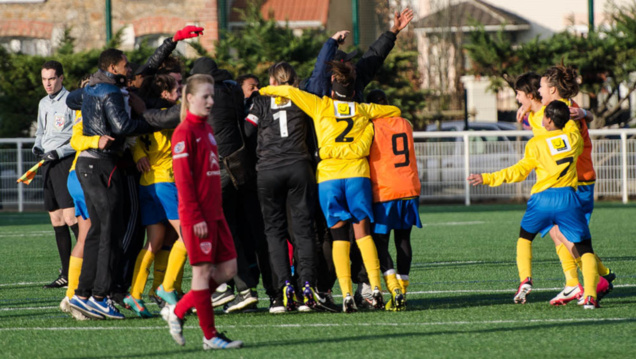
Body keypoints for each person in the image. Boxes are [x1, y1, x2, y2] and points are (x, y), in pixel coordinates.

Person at [260, 60, 401, 312]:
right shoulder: (363, 109)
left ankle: (346, 294)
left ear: (332, 90)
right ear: (353, 92)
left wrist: (264, 90)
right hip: (358, 175)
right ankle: (376, 288)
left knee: (338, 237)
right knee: (363, 234)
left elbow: (289, 91)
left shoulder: (321, 105)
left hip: (329, 177)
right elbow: (394, 111)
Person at [468, 100, 601, 309]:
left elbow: (519, 171)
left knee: (525, 238)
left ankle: (526, 278)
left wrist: (487, 178)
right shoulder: (573, 138)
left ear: (547, 119)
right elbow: (573, 125)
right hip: (568, 199)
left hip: (542, 200)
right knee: (585, 249)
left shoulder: (536, 144)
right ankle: (591, 296)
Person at [67, 48, 154, 320]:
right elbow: (122, 126)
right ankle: (100, 296)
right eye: (125, 66)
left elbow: (72, 99)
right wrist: (157, 120)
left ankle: (83, 295)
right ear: (113, 68)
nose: (129, 70)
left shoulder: (95, 89)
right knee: (108, 233)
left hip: (92, 165)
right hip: (100, 165)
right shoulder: (109, 92)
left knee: (97, 231)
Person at [515, 69, 612, 305]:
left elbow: (548, 132)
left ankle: (599, 279)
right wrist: (528, 111)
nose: (538, 91)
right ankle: (575, 283)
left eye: (541, 87)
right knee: (558, 233)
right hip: (569, 182)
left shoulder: (563, 112)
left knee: (568, 236)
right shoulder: (562, 108)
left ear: (552, 90)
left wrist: (529, 110)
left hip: (577, 181)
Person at [160, 74, 243, 350]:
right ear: (190, 98)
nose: (211, 101)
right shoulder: (183, 132)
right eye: (205, 96)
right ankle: (210, 336)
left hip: (215, 213)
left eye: (212, 96)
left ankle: (179, 310)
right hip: (197, 217)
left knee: (229, 268)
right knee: (202, 273)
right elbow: (183, 181)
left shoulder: (207, 129)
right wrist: (195, 218)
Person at [320, 89, 422, 311]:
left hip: (385, 191)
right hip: (410, 187)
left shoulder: (372, 126)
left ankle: (391, 288)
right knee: (403, 240)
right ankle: (402, 290)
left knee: (378, 242)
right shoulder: (405, 123)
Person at [190, 57, 276, 313]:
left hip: (217, 170)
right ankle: (269, 291)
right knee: (246, 230)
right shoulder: (232, 90)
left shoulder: (201, 97)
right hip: (242, 167)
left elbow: (174, 118)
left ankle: (230, 288)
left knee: (214, 229)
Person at [245, 62, 324, 313]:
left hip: (268, 170)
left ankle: (282, 292)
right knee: (303, 232)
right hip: (299, 167)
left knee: (274, 233)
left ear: (272, 81)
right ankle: (308, 287)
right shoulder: (303, 99)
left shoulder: (261, 101)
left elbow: (247, 131)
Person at [125, 74, 183, 317]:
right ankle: (167, 289)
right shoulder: (169, 115)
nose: (180, 92)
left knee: (158, 242)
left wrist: (138, 154)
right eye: (177, 88)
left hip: (147, 183)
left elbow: (135, 137)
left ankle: (137, 293)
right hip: (165, 182)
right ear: (165, 93)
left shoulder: (144, 114)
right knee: (188, 236)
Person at [33, 60, 79, 289]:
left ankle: (87, 267)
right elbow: (40, 132)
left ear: (61, 78)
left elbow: (78, 138)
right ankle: (66, 274)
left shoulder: (72, 101)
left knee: (71, 218)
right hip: (47, 164)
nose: (48, 83)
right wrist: (37, 147)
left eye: (52, 78)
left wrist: (58, 151)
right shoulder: (43, 103)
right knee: (56, 219)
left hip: (64, 163)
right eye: (44, 79)